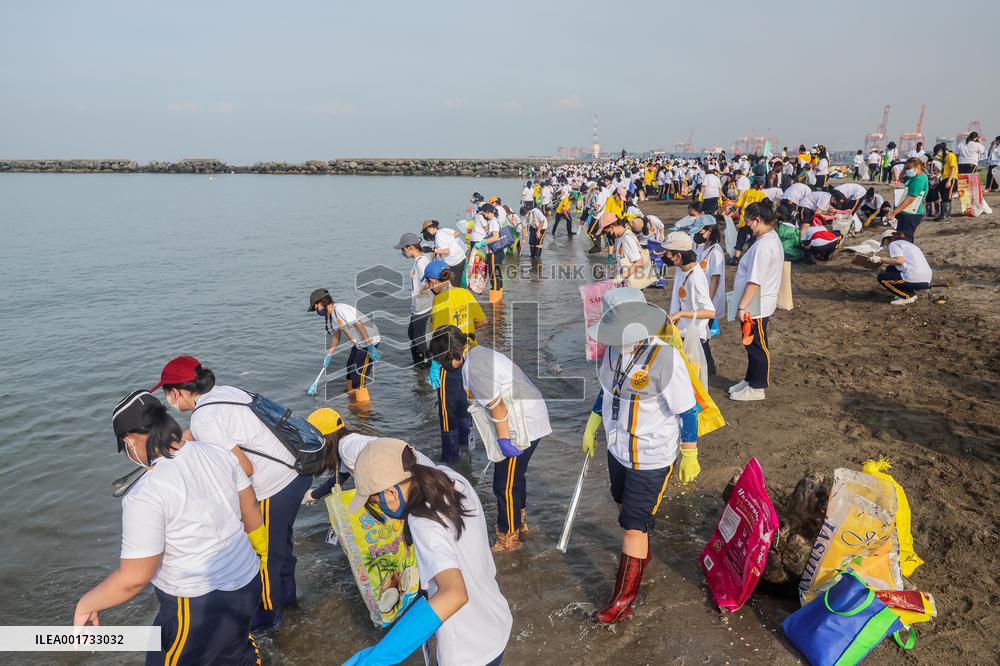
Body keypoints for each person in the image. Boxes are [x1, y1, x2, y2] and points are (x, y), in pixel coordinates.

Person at [75, 390, 266, 664]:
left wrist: (87, 604)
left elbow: (134, 578)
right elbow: (251, 511)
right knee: (236, 653)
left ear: (129, 440)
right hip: (247, 581)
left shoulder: (145, 493)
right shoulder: (217, 452)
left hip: (197, 603)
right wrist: (259, 554)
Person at [152, 356, 311, 632]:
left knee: (266, 558)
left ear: (175, 392)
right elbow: (225, 430)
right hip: (297, 471)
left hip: (275, 485)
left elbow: (244, 469)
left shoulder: (204, 419)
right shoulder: (224, 393)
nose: (168, 401)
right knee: (280, 546)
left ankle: (270, 619)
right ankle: (288, 600)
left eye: (166, 393)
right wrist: (182, 441)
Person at [581, 288, 702, 624]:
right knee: (624, 512)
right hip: (617, 449)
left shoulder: (665, 358)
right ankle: (639, 556)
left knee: (633, 525)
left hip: (651, 455)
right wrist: (593, 424)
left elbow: (687, 410)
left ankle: (622, 600)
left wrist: (689, 452)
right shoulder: (611, 354)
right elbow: (607, 392)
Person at [340, 438, 511, 666]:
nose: (379, 508)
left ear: (391, 492)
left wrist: (378, 657)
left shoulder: (422, 521)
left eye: (375, 501)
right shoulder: (452, 480)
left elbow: (454, 593)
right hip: (495, 622)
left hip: (468, 652)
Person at [429, 325, 551, 552]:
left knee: (503, 484)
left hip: (522, 424)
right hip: (527, 415)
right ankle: (520, 525)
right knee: (515, 477)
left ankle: (508, 540)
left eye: (443, 361)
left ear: (454, 354)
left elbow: (497, 406)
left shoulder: (474, 367)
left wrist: (505, 441)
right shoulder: (477, 354)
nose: (444, 367)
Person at [300, 407, 434, 504]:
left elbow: (385, 461)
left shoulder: (347, 449)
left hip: (418, 477)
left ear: (324, 438)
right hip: (420, 468)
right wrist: (314, 495)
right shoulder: (347, 445)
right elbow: (339, 479)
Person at [424, 259, 486, 462]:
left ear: (434, 281)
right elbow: (482, 320)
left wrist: (435, 364)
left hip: (449, 361)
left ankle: (450, 459)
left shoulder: (440, 300)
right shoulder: (466, 293)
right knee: (465, 403)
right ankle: (467, 450)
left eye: (429, 283)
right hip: (470, 356)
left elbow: (439, 336)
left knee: (446, 410)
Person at [729, 201, 783, 402]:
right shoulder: (767, 239)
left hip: (756, 304)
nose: (746, 225)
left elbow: (755, 280)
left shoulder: (764, 246)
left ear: (758, 220)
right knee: (750, 343)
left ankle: (758, 386)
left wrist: (742, 306)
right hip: (756, 301)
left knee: (757, 345)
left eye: (748, 221)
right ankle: (750, 379)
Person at [308, 288, 382, 403]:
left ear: (322, 302)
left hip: (369, 339)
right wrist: (329, 355)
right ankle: (353, 400)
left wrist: (370, 346)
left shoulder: (340, 310)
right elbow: (337, 335)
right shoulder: (332, 315)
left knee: (358, 376)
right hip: (359, 342)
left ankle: (363, 411)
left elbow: (359, 324)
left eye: (315, 306)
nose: (316, 310)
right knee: (350, 370)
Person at [660, 232, 718, 375]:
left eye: (667, 253)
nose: (663, 257)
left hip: (693, 339)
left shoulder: (696, 278)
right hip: (681, 333)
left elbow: (710, 312)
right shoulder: (681, 270)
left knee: (693, 380)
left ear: (678, 256)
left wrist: (681, 313)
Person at [395, 233, 433, 366]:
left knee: (418, 336)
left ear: (410, 247)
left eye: (403, 249)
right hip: (417, 305)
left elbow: (429, 281)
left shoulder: (421, 262)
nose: (402, 252)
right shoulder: (419, 260)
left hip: (423, 305)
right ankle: (418, 363)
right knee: (412, 333)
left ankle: (426, 363)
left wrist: (419, 292)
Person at [873, 230, 932, 305]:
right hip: (926, 279)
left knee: (882, 278)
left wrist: (880, 259)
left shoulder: (893, 244)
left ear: (888, 239)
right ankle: (910, 294)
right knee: (890, 269)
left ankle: (907, 296)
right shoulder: (909, 244)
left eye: (885, 242)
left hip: (915, 278)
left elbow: (899, 261)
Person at [695, 224, 726, 357]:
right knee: (699, 334)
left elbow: (715, 279)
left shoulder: (716, 252)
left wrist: (708, 301)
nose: (699, 233)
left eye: (701, 230)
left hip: (709, 299)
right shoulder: (702, 248)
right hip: (700, 296)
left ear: (709, 232)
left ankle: (708, 363)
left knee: (701, 334)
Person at [885, 157, 929, 243]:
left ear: (917, 167)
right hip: (904, 213)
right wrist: (904, 169)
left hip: (910, 214)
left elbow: (910, 199)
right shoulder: (912, 177)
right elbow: (899, 179)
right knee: (900, 237)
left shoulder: (919, 179)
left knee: (905, 239)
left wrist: (893, 213)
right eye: (906, 168)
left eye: (909, 168)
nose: (907, 170)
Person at [422, 219, 468, 286]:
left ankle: (459, 294)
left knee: (454, 284)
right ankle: (462, 292)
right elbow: (457, 233)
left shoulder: (438, 236)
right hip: (461, 257)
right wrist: (450, 241)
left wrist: (432, 250)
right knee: (459, 281)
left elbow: (447, 251)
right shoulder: (444, 230)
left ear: (429, 229)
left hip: (454, 262)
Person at [930, 142, 959, 221]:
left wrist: (949, 181)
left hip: (951, 178)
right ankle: (943, 214)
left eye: (938, 152)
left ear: (941, 150)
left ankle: (946, 216)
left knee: (947, 197)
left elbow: (953, 168)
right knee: (943, 197)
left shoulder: (951, 155)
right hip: (943, 179)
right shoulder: (944, 157)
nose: (938, 155)